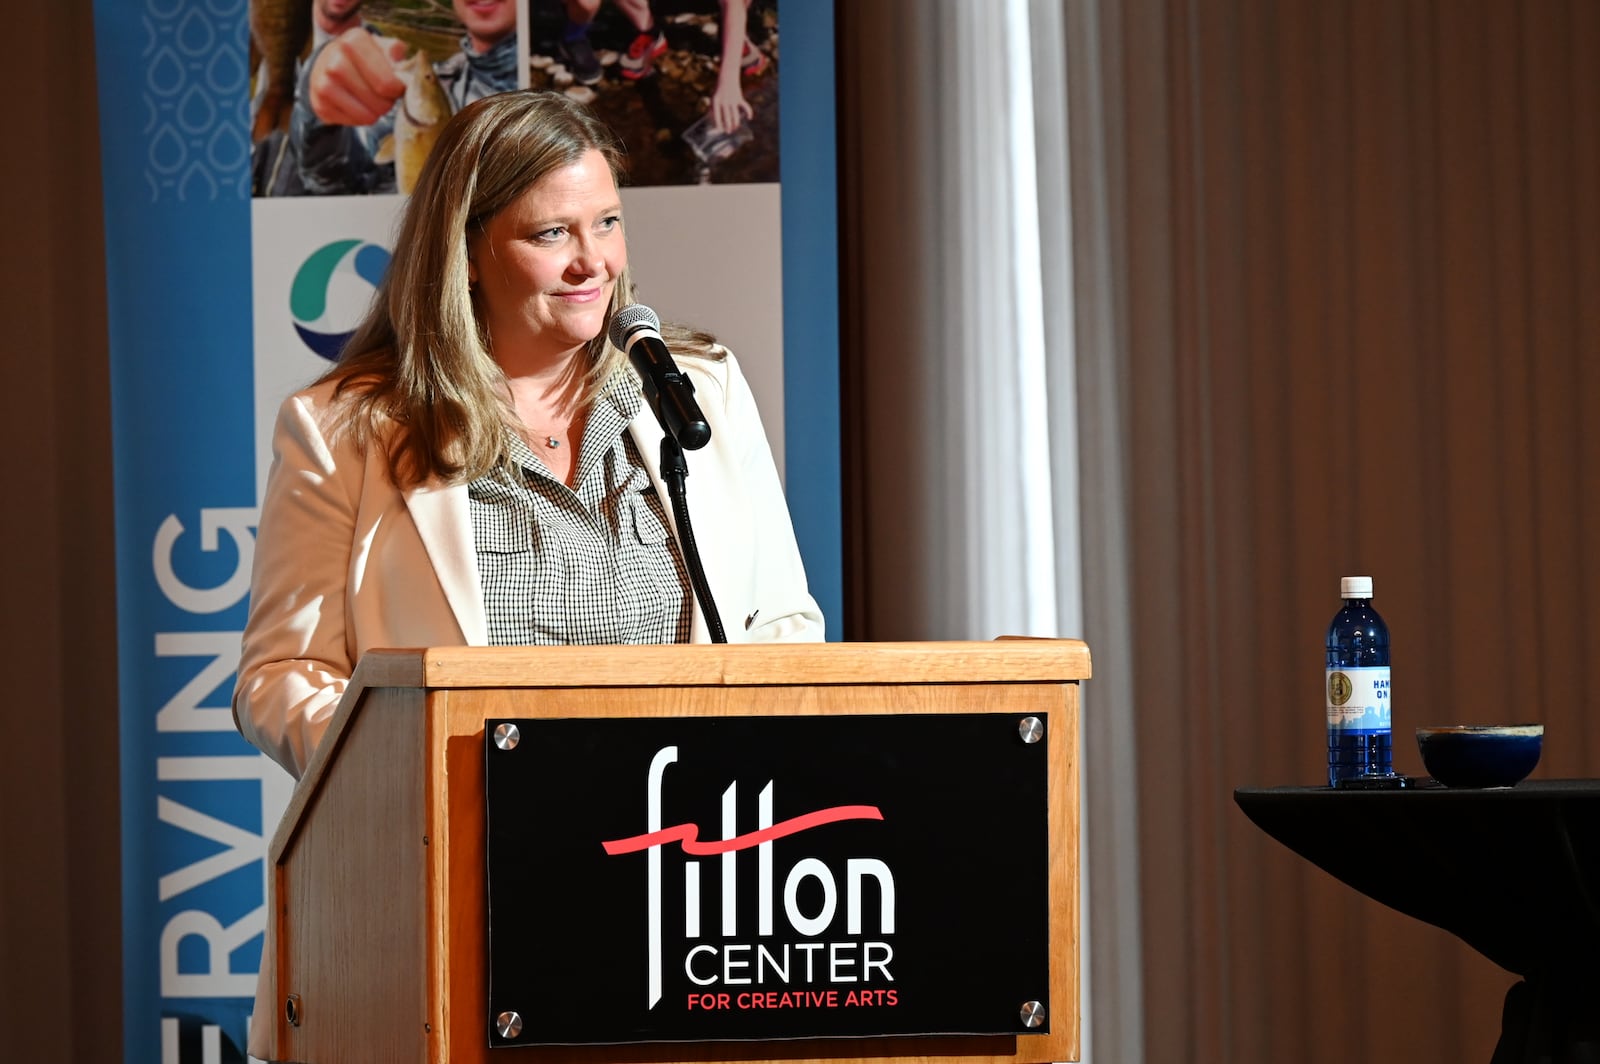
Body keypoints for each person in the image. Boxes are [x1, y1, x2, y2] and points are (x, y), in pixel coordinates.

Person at [233, 90, 824, 780]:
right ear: (468, 253)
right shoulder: (344, 430)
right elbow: (282, 675)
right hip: (470, 851)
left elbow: (782, 626)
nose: (593, 262)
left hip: (690, 845)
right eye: (551, 234)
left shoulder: (702, 392)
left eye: (606, 223)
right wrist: (413, 771)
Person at [291, 0, 519, 194]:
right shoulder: (437, 84)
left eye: (428, 78)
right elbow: (336, 181)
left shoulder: (551, 80)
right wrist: (317, 116)